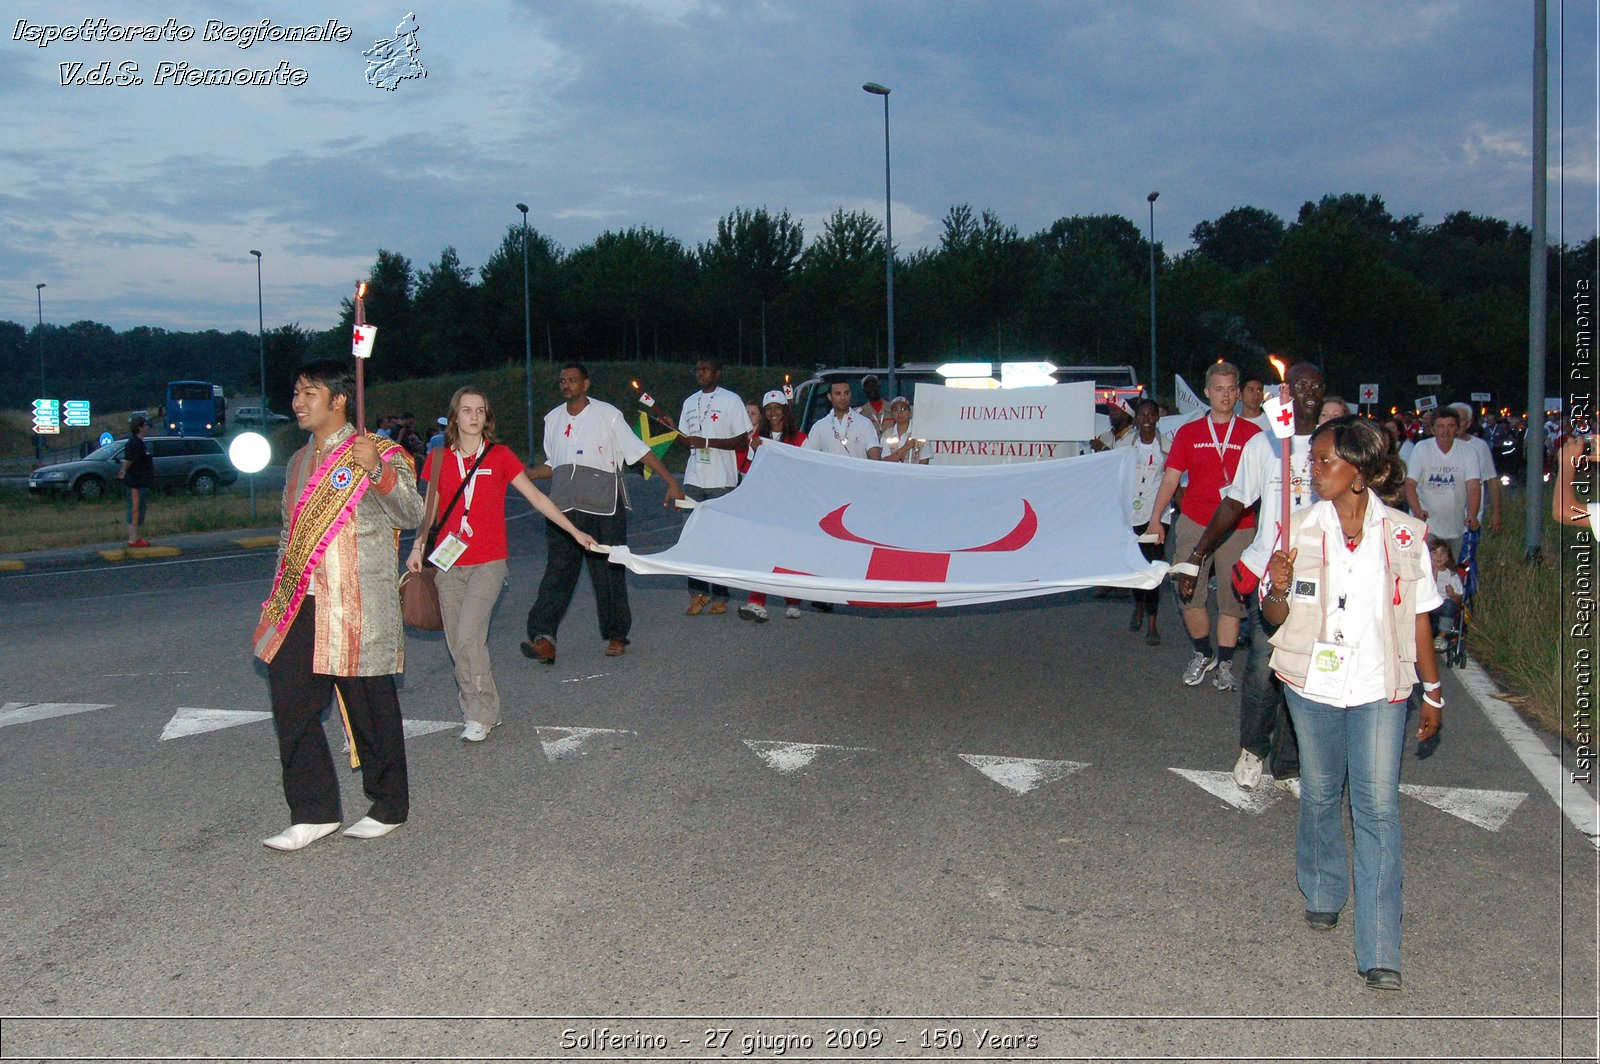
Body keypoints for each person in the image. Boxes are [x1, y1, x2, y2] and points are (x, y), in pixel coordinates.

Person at [1262, 415, 1442, 993]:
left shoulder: (1407, 536)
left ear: (1360, 471)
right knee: (1318, 792)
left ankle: (1380, 948)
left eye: (1324, 461)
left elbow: (1419, 619)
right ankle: (1321, 886)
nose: (1313, 471)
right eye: (1311, 460)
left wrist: (1432, 692)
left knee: (1378, 810)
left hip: (1379, 688)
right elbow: (1273, 618)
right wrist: (1278, 585)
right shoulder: (1298, 527)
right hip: (1311, 684)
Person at [252, 359, 425, 852]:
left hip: (357, 601)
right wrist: (276, 596)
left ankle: (389, 805)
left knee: (370, 709)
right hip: (300, 601)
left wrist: (377, 472)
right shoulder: (297, 462)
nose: (298, 402)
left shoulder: (380, 451)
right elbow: (290, 537)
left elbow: (411, 512)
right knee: (292, 708)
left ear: (340, 399)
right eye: (296, 392)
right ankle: (313, 812)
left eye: (309, 392)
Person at [407, 387, 597, 742]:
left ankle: (480, 714)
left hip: (489, 562)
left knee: (468, 637)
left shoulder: (500, 456)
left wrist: (574, 531)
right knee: (457, 643)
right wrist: (418, 546)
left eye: (480, 410)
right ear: (455, 417)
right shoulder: (437, 459)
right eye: (466, 410)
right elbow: (429, 511)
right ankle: (479, 707)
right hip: (448, 563)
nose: (474, 416)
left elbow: (538, 497)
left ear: (487, 417)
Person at [1177, 362, 1325, 796]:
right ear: (1286, 392)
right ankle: (1252, 749)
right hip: (1269, 572)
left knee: (1305, 673)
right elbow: (1233, 505)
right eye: (1300, 386)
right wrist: (1196, 554)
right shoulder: (1265, 445)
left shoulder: (1334, 445)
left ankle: (1290, 764)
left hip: (1319, 576)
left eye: (1317, 387)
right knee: (1263, 669)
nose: (1309, 393)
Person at [522, 363, 685, 664]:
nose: (566, 385)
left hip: (604, 507)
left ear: (586, 384)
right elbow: (553, 464)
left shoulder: (608, 415)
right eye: (563, 381)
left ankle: (616, 635)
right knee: (557, 573)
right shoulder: (552, 419)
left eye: (572, 380)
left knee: (608, 573)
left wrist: (671, 481)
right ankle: (543, 637)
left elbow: (639, 451)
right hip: (563, 510)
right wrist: (528, 474)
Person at [1145, 361, 1262, 689]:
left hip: (1239, 525)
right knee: (1189, 592)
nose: (1225, 395)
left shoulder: (1253, 435)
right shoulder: (1189, 432)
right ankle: (1202, 653)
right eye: (1218, 389)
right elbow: (1171, 478)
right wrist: (1157, 517)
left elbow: (1269, 485)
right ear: (1208, 393)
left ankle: (1225, 663)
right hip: (1195, 521)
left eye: (1231, 389)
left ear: (1238, 393)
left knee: (1232, 596)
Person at [656, 359, 751, 616]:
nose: (700, 373)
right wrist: (673, 430)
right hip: (694, 479)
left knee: (719, 540)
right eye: (697, 369)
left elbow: (743, 439)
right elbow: (689, 444)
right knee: (691, 539)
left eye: (705, 369)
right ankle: (698, 594)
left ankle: (721, 594)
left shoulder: (731, 400)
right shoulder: (689, 402)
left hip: (722, 480)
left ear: (718, 373)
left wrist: (708, 441)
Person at [739, 389, 808, 622]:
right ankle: (756, 602)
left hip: (791, 505)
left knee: (790, 553)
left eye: (777, 408)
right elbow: (747, 472)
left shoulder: (800, 439)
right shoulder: (757, 439)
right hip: (765, 504)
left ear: (785, 411)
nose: (773, 413)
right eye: (769, 409)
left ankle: (793, 600)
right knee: (762, 553)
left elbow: (806, 472)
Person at [1403, 408, 1481, 560]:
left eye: (1451, 426)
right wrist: (1417, 510)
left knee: (1452, 572)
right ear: (1432, 430)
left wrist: (1472, 514)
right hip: (1428, 525)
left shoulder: (1469, 451)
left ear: (1457, 429)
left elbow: (1473, 486)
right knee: (1428, 572)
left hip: (1457, 527)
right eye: (1440, 426)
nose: (1445, 431)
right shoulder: (1422, 449)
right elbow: (1410, 483)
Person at [1126, 398, 1171, 645]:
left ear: (1157, 418)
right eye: (1141, 415)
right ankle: (1139, 605)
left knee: (1152, 568)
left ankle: (1152, 624)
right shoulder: (1126, 446)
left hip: (1158, 517)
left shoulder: (1166, 448)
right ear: (1136, 418)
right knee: (1136, 567)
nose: (1146, 420)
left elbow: (1176, 482)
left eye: (1150, 415)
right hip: (1132, 516)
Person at [1447, 402, 1502, 534]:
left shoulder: (1479, 446)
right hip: (1440, 520)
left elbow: (1492, 480)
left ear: (1469, 423)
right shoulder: (1432, 446)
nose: (1456, 423)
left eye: (1461, 419)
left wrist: (1497, 513)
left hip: (1469, 521)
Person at [804, 381, 882, 460]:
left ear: (850, 395)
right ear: (830, 397)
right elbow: (808, 457)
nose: (843, 398)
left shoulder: (864, 423)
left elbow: (875, 454)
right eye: (838, 394)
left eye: (846, 393)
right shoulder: (819, 427)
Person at [117, 414, 155, 548]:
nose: (147, 427)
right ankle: (132, 539)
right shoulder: (134, 443)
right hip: (136, 483)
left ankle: (136, 537)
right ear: (139, 427)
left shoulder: (140, 443)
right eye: (145, 425)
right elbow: (129, 460)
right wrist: (123, 470)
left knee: (140, 509)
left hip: (142, 482)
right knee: (135, 509)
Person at [1426, 536, 1463, 651]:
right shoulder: (1423, 573)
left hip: (1442, 608)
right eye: (1435, 552)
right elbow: (1428, 589)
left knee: (1449, 604)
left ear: (1447, 558)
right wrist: (1434, 572)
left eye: (1442, 553)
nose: (1438, 556)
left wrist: (1452, 595)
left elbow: (1459, 600)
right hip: (1426, 607)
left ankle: (1441, 636)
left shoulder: (1451, 576)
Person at [877, 396, 925, 463]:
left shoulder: (920, 433)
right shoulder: (887, 434)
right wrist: (905, 448)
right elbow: (885, 461)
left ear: (910, 412)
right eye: (895, 410)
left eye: (903, 409)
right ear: (892, 414)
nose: (899, 413)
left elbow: (924, 462)